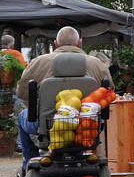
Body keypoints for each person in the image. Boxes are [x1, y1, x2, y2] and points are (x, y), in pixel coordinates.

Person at [15, 26, 112, 165]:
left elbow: (22, 93)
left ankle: (29, 162)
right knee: (81, 125)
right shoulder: (97, 64)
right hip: (85, 127)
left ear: (56, 43)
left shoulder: (38, 62)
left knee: (21, 116)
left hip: (47, 125)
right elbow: (108, 94)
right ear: (79, 43)